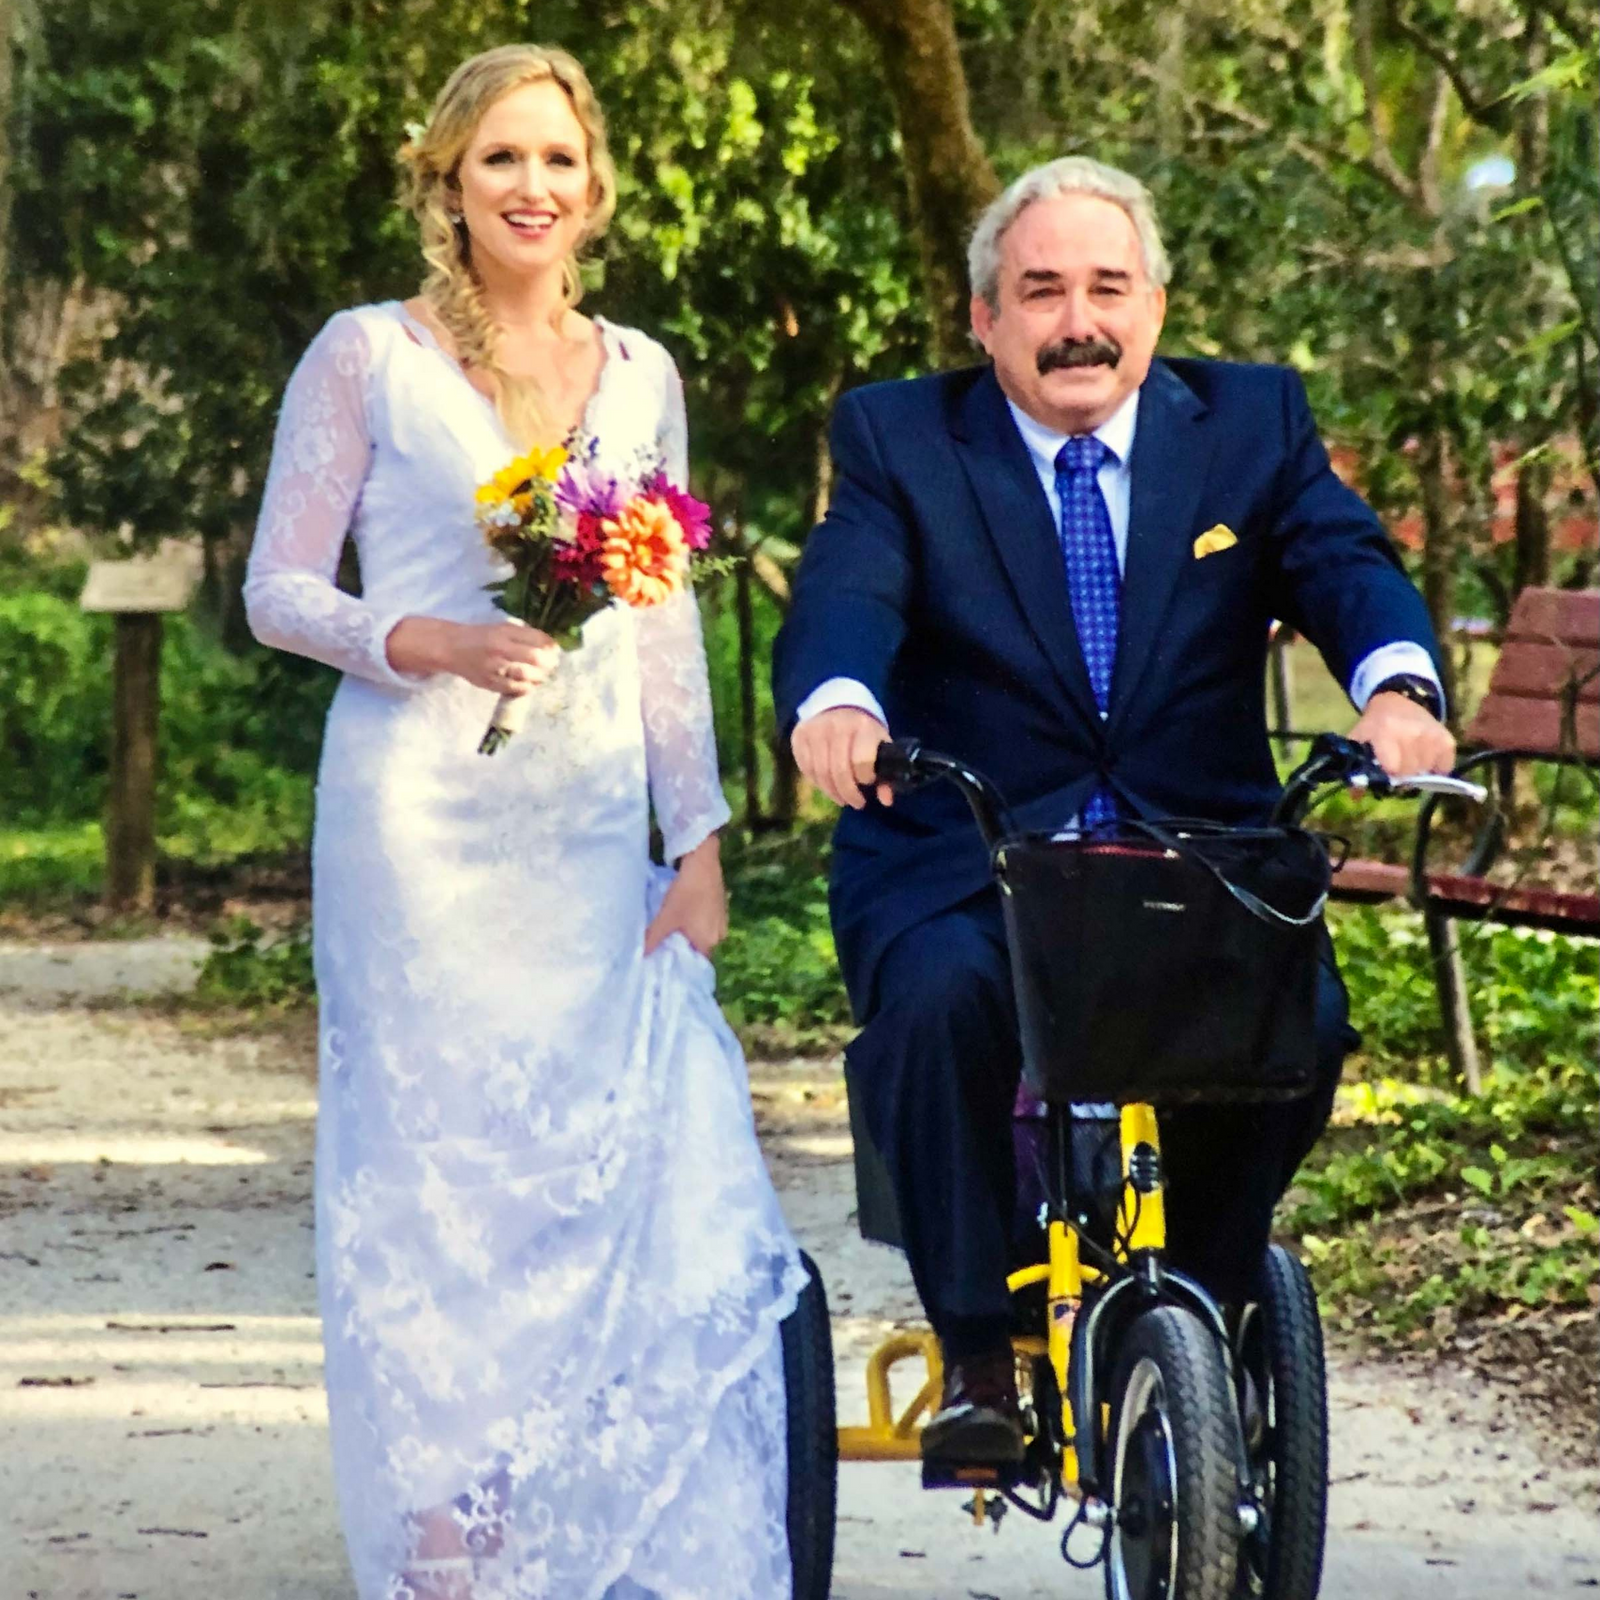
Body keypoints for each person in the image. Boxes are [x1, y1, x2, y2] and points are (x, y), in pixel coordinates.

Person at [773, 156, 1455, 1465]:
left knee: (1301, 1031)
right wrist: (838, 703)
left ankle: (1197, 1281)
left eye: (1106, 286)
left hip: (1193, 865)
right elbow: (848, 592)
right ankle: (980, 1351)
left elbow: (1341, 561)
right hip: (970, 856)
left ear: (1154, 304)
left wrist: (1398, 686)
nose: (1075, 319)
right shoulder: (905, 438)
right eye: (1039, 291)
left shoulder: (1248, 426)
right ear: (986, 321)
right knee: (937, 1011)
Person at [245, 44, 804, 1600]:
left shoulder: (644, 376)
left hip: (579, 829)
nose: (533, 188)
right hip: (414, 818)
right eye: (501, 159)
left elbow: (668, 629)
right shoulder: (366, 353)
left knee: (595, 1154)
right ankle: (445, 1527)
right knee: (442, 1173)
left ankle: (578, 1497)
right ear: (448, 180)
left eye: (558, 160)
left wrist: (694, 843)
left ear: (596, 185)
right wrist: (421, 640)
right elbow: (278, 588)